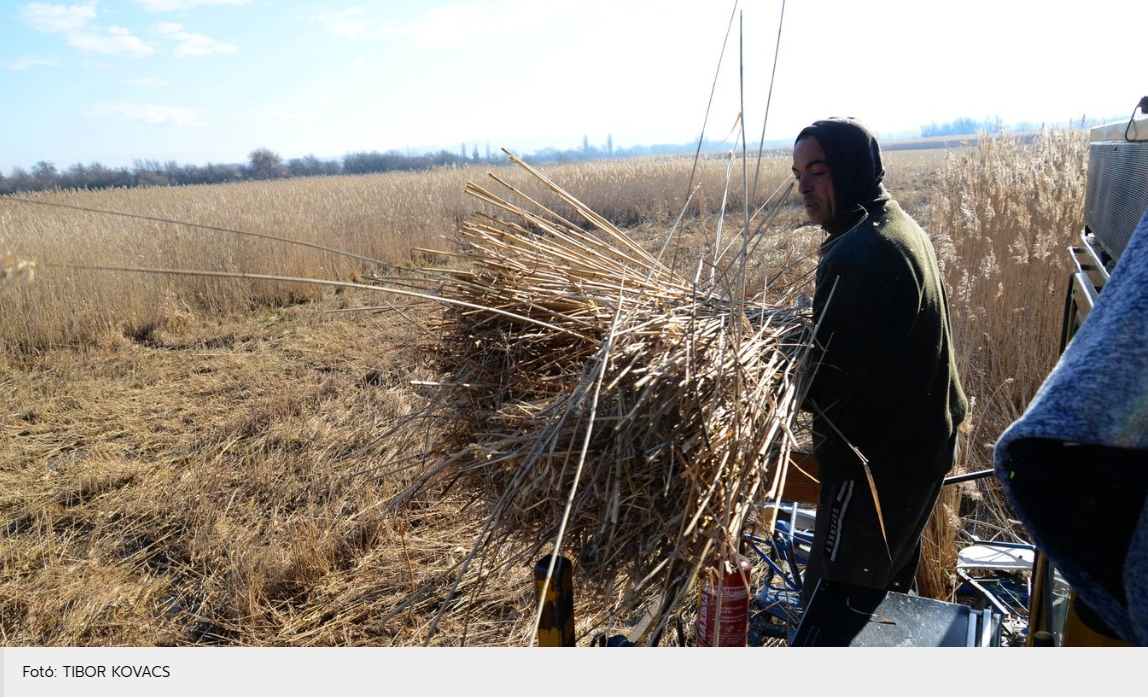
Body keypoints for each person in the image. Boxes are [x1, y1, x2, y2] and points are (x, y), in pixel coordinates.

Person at [790, 117, 968, 608]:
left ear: (851, 168)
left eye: (818, 171)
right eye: (798, 173)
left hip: (874, 467)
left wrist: (771, 372)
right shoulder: (891, 223)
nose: (803, 186)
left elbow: (830, 383)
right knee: (883, 600)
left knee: (834, 605)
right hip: (919, 449)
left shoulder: (861, 251)